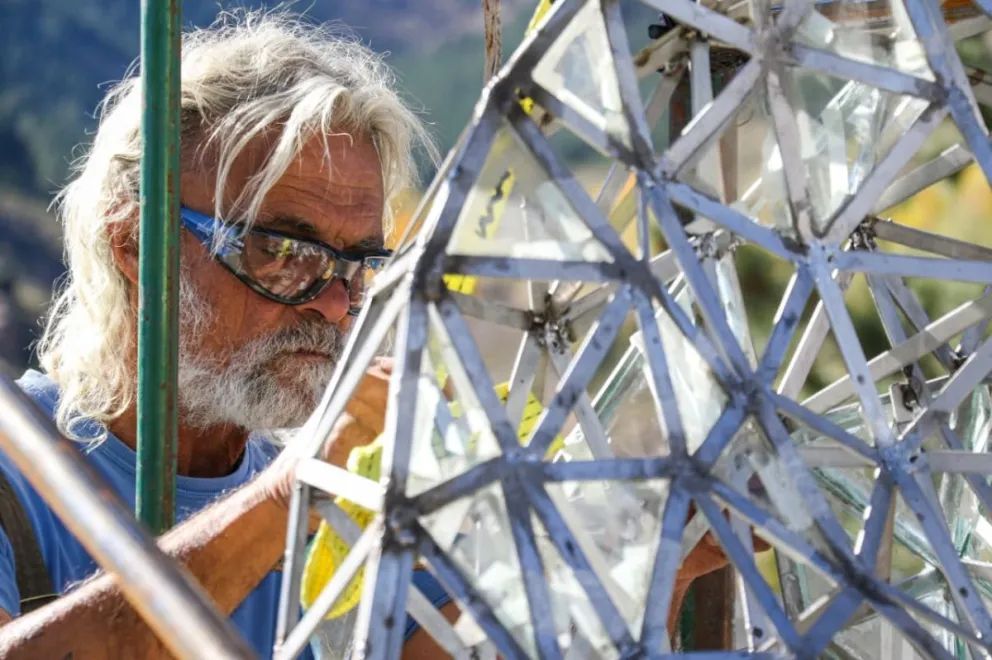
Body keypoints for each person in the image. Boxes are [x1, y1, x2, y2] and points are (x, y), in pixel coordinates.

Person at [0, 10, 730, 659]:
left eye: (359, 264)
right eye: (283, 251)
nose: (332, 305)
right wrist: (285, 497)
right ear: (134, 244)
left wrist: (649, 556)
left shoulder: (348, 496)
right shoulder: (20, 475)